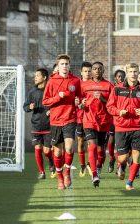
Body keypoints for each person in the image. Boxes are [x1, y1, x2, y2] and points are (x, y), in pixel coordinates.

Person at [106, 63, 140, 190]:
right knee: (123, 158)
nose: (133, 74)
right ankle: (121, 165)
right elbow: (109, 107)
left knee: (136, 156)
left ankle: (130, 183)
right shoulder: (117, 89)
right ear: (126, 73)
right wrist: (118, 112)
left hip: (138, 128)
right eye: (131, 72)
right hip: (121, 128)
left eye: (135, 72)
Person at [42, 54, 81, 190]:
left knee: (69, 147)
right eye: (62, 64)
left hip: (70, 118)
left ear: (70, 66)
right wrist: (57, 98)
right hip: (56, 120)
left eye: (66, 64)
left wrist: (79, 102)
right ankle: (59, 178)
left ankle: (67, 173)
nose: (64, 66)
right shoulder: (52, 81)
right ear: (57, 67)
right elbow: (45, 101)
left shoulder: (75, 81)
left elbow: (80, 98)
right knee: (57, 152)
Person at [81, 61, 114, 187]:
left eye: (99, 68)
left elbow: (112, 105)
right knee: (92, 146)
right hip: (89, 120)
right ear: (92, 70)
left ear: (103, 70)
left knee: (101, 150)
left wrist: (102, 99)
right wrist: (81, 104)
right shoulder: (84, 85)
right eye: (94, 68)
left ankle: (99, 167)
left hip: (104, 121)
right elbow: (79, 103)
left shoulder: (109, 86)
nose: (97, 70)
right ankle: (94, 174)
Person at [23, 68, 55, 179]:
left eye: (37, 75)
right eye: (34, 75)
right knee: (37, 149)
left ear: (44, 77)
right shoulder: (32, 92)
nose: (35, 77)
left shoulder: (51, 90)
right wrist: (29, 107)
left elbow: (57, 103)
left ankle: (51, 161)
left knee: (46, 151)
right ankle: (42, 172)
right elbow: (25, 106)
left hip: (49, 126)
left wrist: (52, 110)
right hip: (36, 125)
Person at [107, 69, 126, 173]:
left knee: (120, 145)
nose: (121, 78)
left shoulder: (127, 88)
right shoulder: (112, 88)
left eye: (122, 76)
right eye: (119, 76)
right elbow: (108, 103)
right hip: (111, 119)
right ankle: (111, 159)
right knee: (111, 142)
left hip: (122, 120)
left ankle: (120, 165)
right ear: (115, 78)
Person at [75, 61, 92, 177]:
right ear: (81, 72)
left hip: (91, 117)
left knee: (91, 143)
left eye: (89, 71)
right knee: (81, 142)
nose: (87, 73)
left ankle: (90, 164)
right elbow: (73, 98)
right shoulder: (77, 84)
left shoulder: (94, 84)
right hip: (80, 117)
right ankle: (82, 165)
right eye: (85, 71)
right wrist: (78, 103)